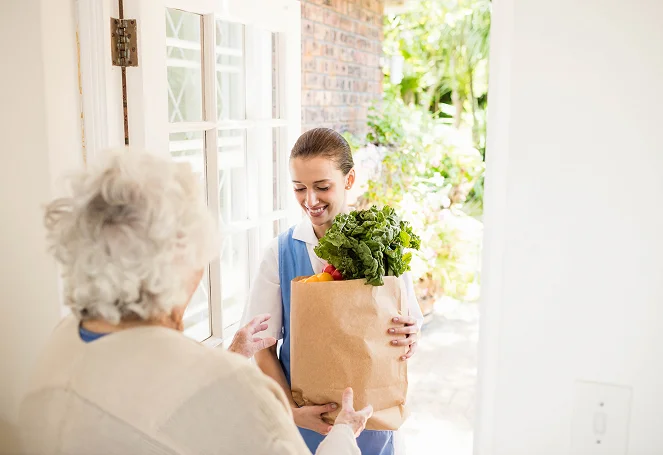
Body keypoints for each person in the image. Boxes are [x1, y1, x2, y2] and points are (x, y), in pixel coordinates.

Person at [18, 149, 373, 455]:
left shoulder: (62, 340)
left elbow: (157, 400)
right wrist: (343, 433)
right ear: (176, 260)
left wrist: (230, 357)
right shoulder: (240, 388)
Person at [242, 128, 424, 455]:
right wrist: (291, 412)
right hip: (305, 425)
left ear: (349, 180)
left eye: (322, 187)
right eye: (299, 188)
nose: (310, 200)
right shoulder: (280, 253)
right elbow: (261, 347)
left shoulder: (382, 244)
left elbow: (408, 325)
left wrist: (411, 334)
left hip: (371, 421)